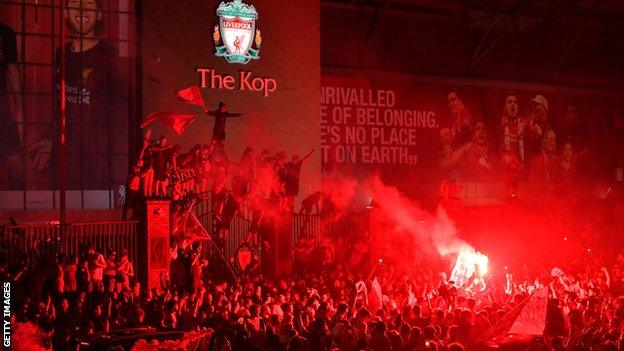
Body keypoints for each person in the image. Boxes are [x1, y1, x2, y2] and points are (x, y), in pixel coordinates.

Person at [29, 0, 124, 190]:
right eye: (74, 2)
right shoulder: (61, 54)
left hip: (95, 167)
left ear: (99, 14)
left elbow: (118, 114)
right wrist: (50, 138)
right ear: (65, 13)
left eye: (89, 2)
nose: (82, 8)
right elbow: (61, 105)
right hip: (63, 163)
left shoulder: (110, 56)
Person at [0, 22, 25, 189]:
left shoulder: (5, 32)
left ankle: (17, 213)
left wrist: (20, 111)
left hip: (1, 110)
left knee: (16, 167)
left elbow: (12, 70)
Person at [500, 93, 526, 198]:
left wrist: (522, 162)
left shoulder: (524, 124)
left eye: (515, 102)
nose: (512, 105)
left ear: (518, 107)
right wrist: (505, 158)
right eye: (509, 102)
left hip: (521, 168)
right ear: (505, 107)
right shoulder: (500, 123)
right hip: (505, 167)